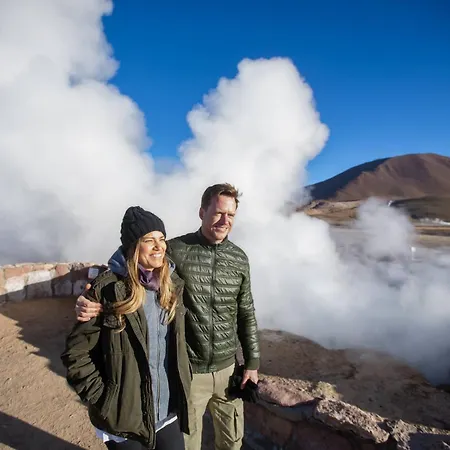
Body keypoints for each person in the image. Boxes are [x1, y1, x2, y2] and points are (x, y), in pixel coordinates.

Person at [76, 183, 260, 450]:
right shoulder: (175, 249)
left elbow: (246, 311)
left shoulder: (239, 258)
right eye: (218, 213)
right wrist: (92, 296)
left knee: (232, 442)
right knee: (188, 443)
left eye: (230, 215)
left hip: (228, 370)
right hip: (190, 373)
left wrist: (252, 362)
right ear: (202, 212)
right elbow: (130, 259)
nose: (225, 220)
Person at [61, 206, 191, 450]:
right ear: (133, 246)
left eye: (162, 239)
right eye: (149, 240)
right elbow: (76, 354)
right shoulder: (108, 290)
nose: (159, 246)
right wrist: (105, 399)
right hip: (124, 416)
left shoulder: (171, 285)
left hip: (166, 408)